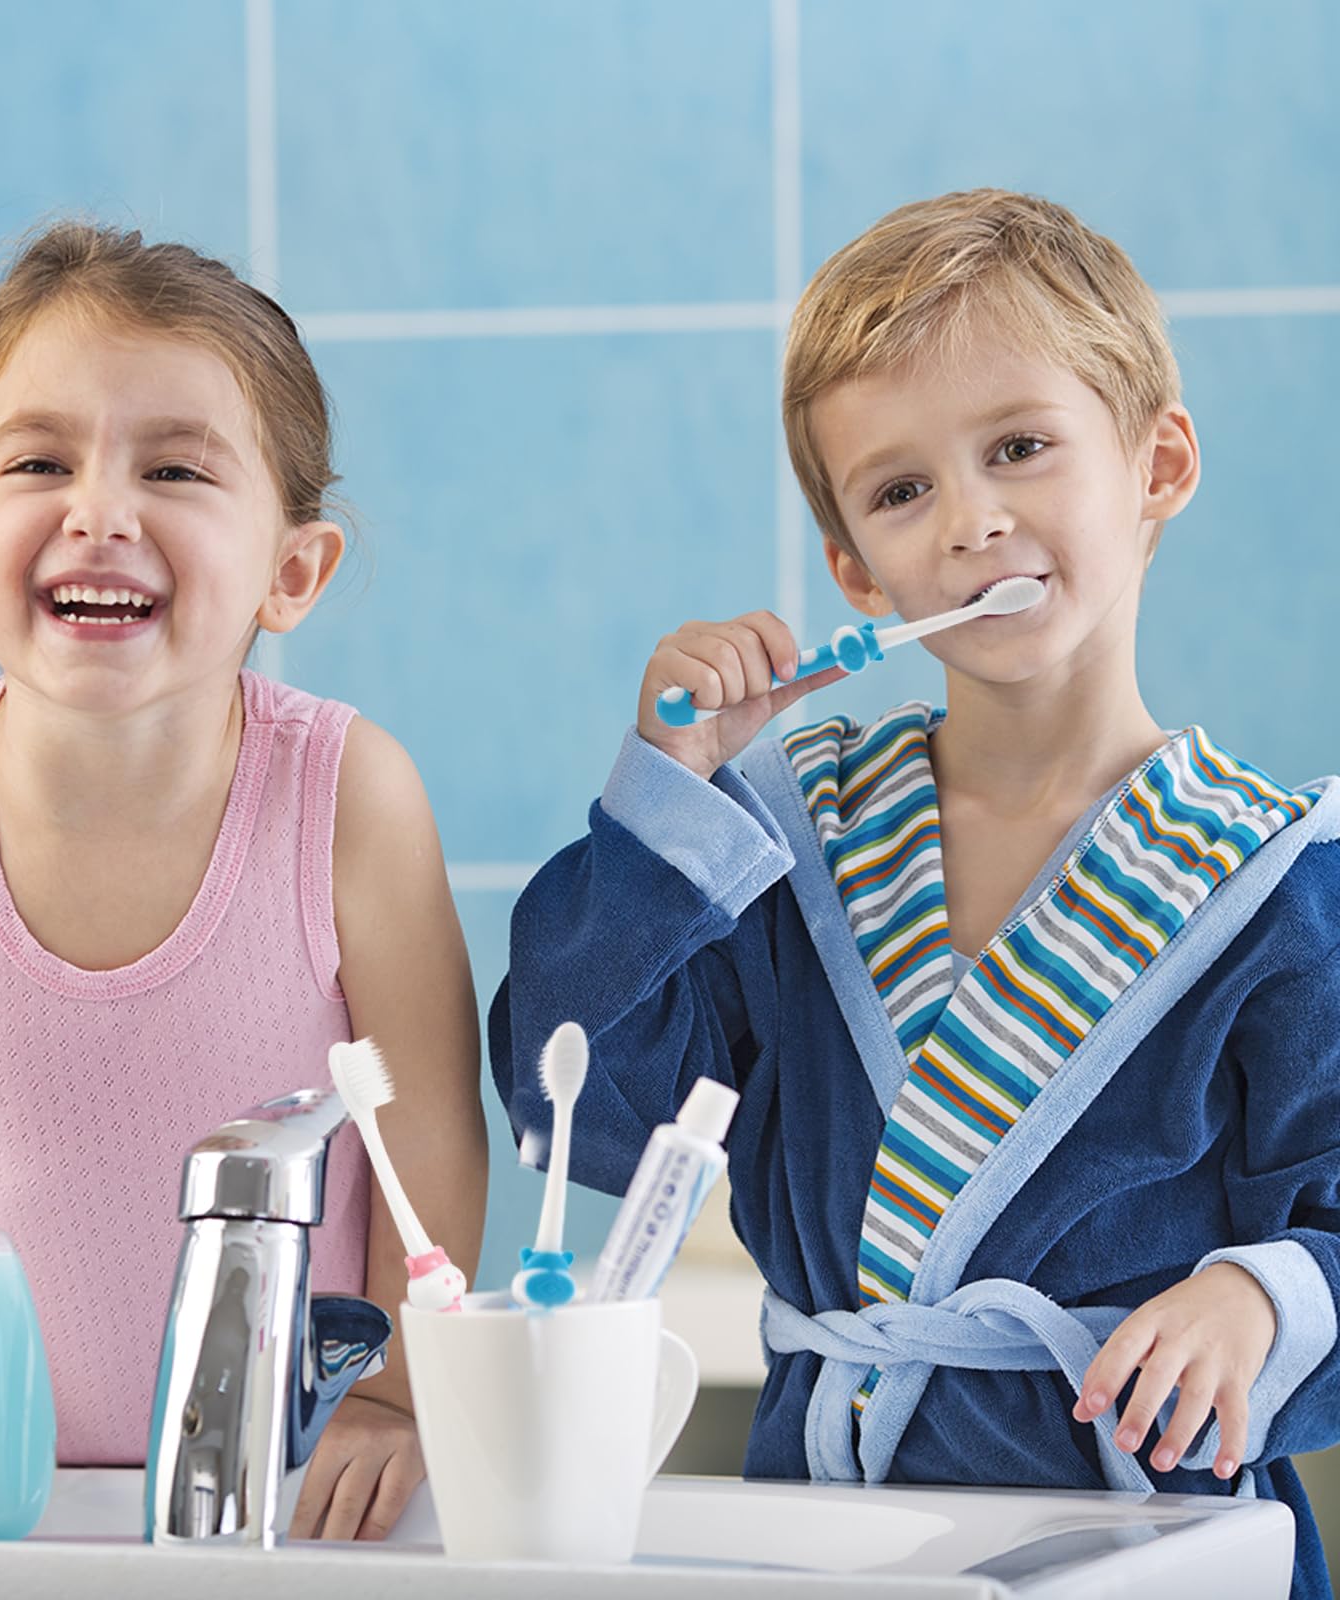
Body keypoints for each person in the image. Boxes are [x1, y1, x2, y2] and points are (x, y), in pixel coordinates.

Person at [491, 189, 1340, 1596]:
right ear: (857, 574)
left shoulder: (1277, 882)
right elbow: (570, 1106)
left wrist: (1261, 1299)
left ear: (1159, 464)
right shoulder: (781, 842)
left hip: (1155, 1548)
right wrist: (671, 802)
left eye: (1020, 446)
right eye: (901, 491)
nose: (972, 520)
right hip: (839, 1542)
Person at [0, 221, 486, 1541]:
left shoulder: (349, 795)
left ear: (291, 571)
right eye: (39, 461)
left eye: (178, 468)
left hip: (288, 1484)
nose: (99, 509)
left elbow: (426, 1125)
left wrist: (398, 1398)